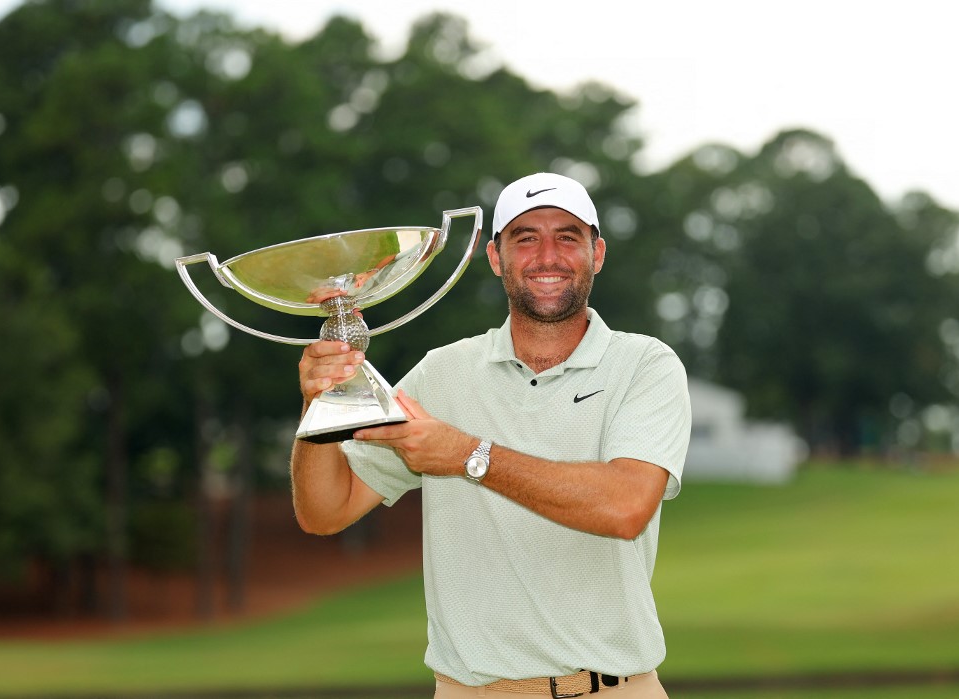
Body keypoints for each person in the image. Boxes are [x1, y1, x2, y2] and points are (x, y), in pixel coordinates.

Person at [291, 172, 691, 698]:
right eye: (525, 238)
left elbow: (626, 506)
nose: (547, 255)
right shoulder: (443, 373)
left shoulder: (645, 365)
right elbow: (326, 510)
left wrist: (467, 455)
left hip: (613, 689)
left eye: (566, 237)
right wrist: (319, 406)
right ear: (496, 257)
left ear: (596, 254)